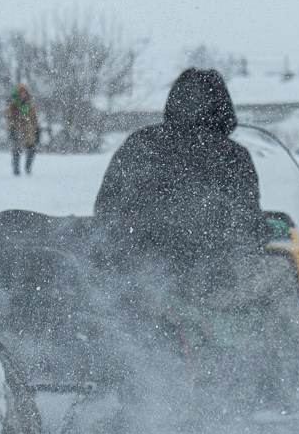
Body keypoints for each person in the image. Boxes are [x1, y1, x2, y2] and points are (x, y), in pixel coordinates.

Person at [93, 68, 264, 285]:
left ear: (173, 102)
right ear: (224, 107)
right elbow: (246, 226)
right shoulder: (232, 155)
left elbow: (106, 209)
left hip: (135, 279)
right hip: (210, 283)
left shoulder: (140, 143)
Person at [5, 83, 41, 176]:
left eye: (25, 93)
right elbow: (9, 118)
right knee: (16, 150)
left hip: (29, 131)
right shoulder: (12, 106)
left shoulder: (30, 105)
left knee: (32, 149)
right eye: (21, 93)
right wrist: (12, 128)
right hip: (17, 129)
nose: (23, 95)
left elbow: (34, 118)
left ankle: (28, 168)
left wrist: (37, 129)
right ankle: (16, 169)